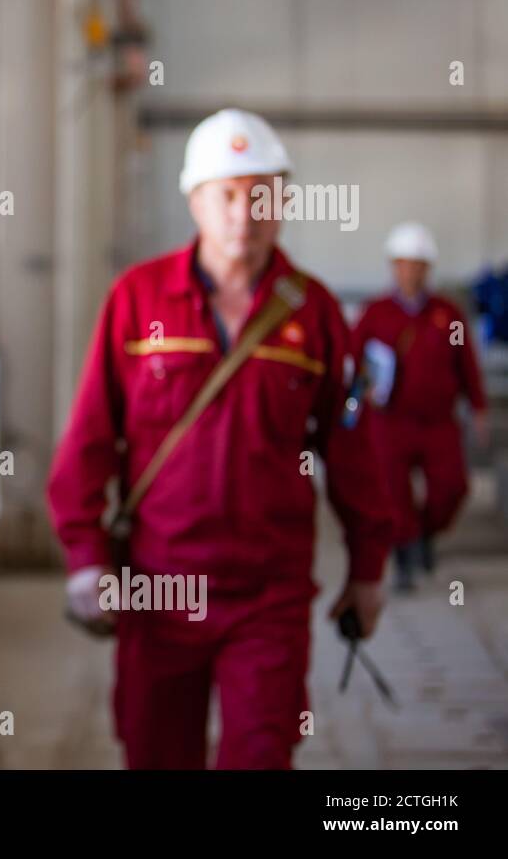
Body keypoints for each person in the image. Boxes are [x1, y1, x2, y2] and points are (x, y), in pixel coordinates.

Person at [47, 108, 397, 769]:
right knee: (157, 754)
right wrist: (86, 554)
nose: (246, 213)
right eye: (228, 195)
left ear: (283, 202)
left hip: (270, 594)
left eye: (262, 195)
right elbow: (91, 437)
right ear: (195, 201)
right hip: (158, 589)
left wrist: (369, 568)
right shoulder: (138, 300)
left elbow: (354, 451)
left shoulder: (314, 312)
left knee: (261, 755)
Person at [353, 222, 489, 592]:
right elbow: (353, 363)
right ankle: (405, 557)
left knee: (451, 488)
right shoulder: (375, 313)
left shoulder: (448, 313)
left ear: (428, 268)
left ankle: (424, 534)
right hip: (389, 420)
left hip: (438, 422)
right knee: (392, 493)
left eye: (416, 264)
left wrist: (477, 408)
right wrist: (353, 404)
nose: (409, 271)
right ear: (392, 267)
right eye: (402, 263)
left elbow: (467, 364)